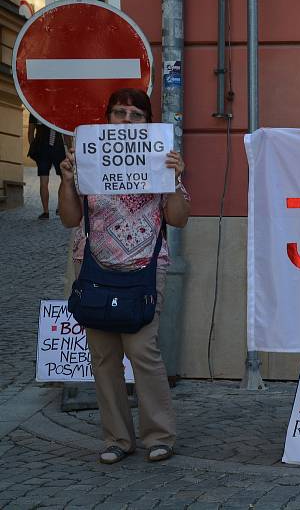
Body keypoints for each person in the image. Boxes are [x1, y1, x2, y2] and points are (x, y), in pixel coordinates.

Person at [58, 88, 190, 464]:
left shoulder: (159, 158)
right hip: (95, 267)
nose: (127, 121)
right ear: (107, 118)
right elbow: (70, 218)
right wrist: (68, 179)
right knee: (103, 357)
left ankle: (158, 435)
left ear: (147, 122)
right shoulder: (89, 158)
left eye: (136, 114)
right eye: (119, 113)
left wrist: (177, 178)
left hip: (145, 269)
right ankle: (117, 437)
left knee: (142, 352)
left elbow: (178, 218)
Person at [27, 113, 66, 219]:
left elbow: (30, 133)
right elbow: (30, 132)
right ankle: (49, 210)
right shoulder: (56, 108)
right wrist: (34, 148)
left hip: (52, 148)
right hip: (50, 148)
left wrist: (34, 147)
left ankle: (49, 210)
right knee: (55, 179)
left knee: (60, 179)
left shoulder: (35, 109)